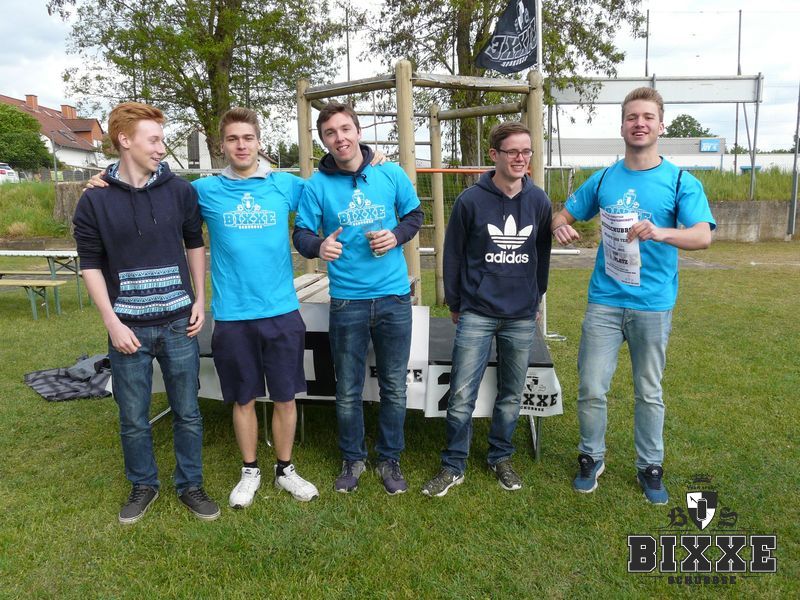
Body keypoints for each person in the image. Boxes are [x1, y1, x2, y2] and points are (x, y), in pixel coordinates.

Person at [551, 87, 715, 505]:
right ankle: (591, 457)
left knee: (649, 391)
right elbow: (562, 214)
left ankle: (650, 466)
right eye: (631, 117)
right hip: (604, 301)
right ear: (622, 125)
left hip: (652, 305)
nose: (639, 124)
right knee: (591, 386)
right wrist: (560, 225)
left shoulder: (680, 181)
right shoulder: (604, 178)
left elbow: (702, 236)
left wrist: (661, 232)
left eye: (647, 117)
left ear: (661, 126)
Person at [73, 102, 220, 524]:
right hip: (128, 330)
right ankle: (143, 485)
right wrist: (112, 322)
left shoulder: (180, 191)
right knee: (133, 417)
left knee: (187, 412)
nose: (161, 148)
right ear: (125, 140)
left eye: (161, 140)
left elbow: (195, 243)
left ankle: (190, 484)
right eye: (153, 140)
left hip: (178, 324)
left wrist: (199, 299)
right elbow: (90, 264)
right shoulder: (94, 201)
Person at [293, 101, 423, 495]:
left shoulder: (390, 172)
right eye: (330, 133)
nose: (340, 138)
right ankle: (352, 459)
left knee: (394, 387)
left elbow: (414, 216)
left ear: (358, 131)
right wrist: (319, 246)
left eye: (345, 129)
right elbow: (301, 234)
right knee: (347, 388)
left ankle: (390, 459)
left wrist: (395, 237)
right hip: (347, 300)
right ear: (323, 140)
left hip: (394, 298)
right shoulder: (316, 185)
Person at [421, 122, 552, 497]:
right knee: (462, 393)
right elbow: (453, 255)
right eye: (512, 151)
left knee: (511, 394)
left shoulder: (539, 201)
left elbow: (541, 255)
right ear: (494, 154)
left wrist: (536, 297)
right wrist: (456, 302)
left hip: (521, 315)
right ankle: (453, 464)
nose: (520, 158)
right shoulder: (470, 201)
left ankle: (500, 457)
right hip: (477, 311)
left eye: (526, 151)